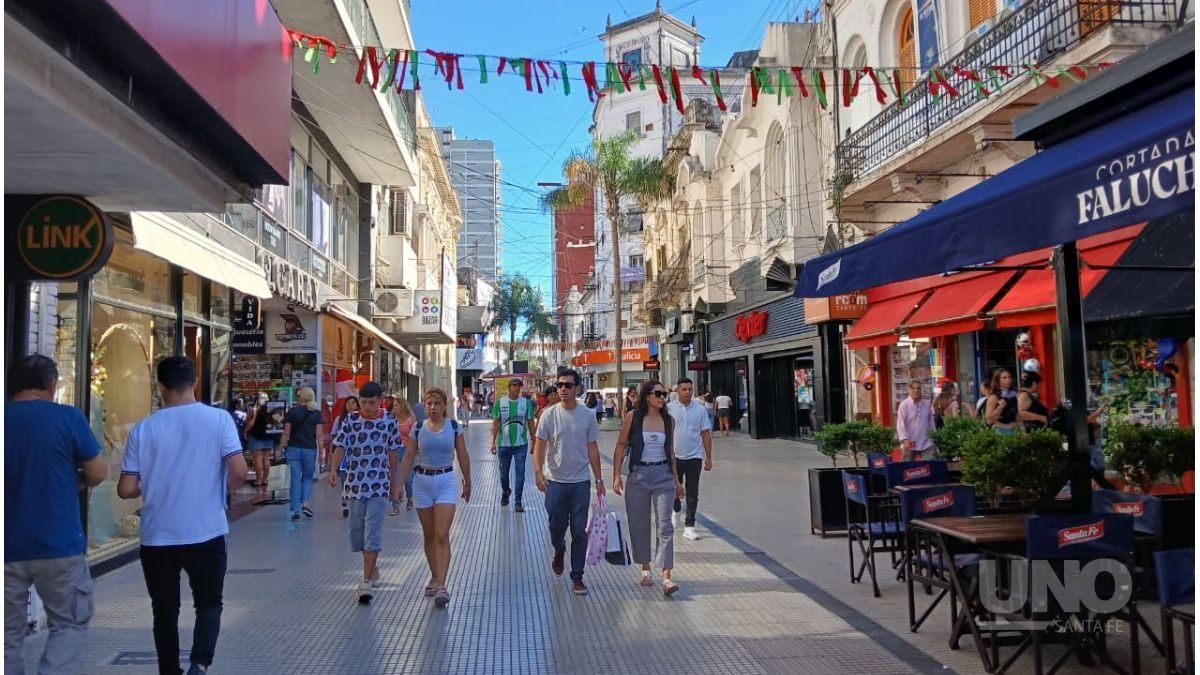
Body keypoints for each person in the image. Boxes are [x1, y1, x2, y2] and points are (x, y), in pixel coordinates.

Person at [117, 357, 248, 675]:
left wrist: (154, 481)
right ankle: (199, 664)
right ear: (195, 382)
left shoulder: (144, 429)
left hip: (158, 535)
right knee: (209, 603)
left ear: (160, 386)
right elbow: (239, 471)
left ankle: (169, 669)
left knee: (164, 610)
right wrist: (221, 493)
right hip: (207, 529)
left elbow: (126, 488)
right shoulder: (219, 420)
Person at [5, 355, 108, 675]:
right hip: (59, 544)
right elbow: (98, 471)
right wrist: (76, 480)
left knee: (5, 636)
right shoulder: (67, 418)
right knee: (69, 624)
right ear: (51, 386)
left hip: (6, 546)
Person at [327, 382, 401, 604]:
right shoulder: (351, 420)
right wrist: (333, 470)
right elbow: (340, 446)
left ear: (380, 401)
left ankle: (366, 580)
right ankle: (372, 566)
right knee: (358, 532)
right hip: (355, 485)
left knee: (373, 531)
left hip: (379, 484)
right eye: (364, 402)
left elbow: (393, 452)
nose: (367, 407)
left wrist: (395, 484)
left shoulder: (389, 420)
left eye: (372, 402)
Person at [533, 369, 605, 596]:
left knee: (579, 530)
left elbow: (592, 448)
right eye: (560, 385)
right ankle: (559, 549)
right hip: (554, 482)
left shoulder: (587, 415)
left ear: (577, 388)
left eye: (568, 385)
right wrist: (538, 472)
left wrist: (599, 479)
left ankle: (577, 576)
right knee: (556, 527)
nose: (562, 389)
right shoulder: (548, 415)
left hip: (580, 482)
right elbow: (539, 445)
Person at [398, 388, 471, 607]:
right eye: (429, 403)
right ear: (424, 405)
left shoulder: (453, 427)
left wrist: (468, 481)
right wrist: (400, 484)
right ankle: (435, 575)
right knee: (429, 535)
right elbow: (408, 456)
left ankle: (442, 585)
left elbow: (463, 455)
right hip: (422, 482)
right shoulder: (418, 428)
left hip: (446, 480)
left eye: (437, 403)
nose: (432, 407)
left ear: (444, 405)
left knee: (441, 534)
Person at [613, 381, 686, 596]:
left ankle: (666, 577)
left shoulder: (669, 421)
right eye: (658, 394)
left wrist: (677, 481)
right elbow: (620, 444)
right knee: (639, 524)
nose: (662, 398)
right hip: (638, 475)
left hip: (663, 474)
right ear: (647, 396)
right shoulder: (633, 417)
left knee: (665, 526)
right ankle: (645, 568)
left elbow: (670, 452)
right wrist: (616, 475)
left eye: (664, 394)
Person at [666, 377, 713, 541]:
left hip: (694, 456)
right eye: (684, 389)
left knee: (693, 491)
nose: (687, 392)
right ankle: (675, 509)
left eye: (690, 389)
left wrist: (708, 457)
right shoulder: (669, 409)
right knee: (674, 488)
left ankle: (690, 526)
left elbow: (705, 433)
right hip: (674, 457)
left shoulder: (700, 410)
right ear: (678, 390)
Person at [278, 387, 323, 523]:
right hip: (309, 449)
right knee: (307, 478)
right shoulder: (316, 413)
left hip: (293, 448)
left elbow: (286, 433)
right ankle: (306, 504)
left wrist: (280, 448)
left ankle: (296, 510)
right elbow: (319, 434)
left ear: (302, 397)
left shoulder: (292, 412)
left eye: (298, 396)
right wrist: (321, 452)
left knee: (295, 478)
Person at [491, 378, 535, 513]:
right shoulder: (499, 403)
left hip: (521, 444)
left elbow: (531, 424)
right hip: (504, 445)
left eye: (519, 386)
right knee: (503, 474)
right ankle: (506, 491)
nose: (517, 388)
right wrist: (492, 441)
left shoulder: (526, 403)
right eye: (514, 385)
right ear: (509, 387)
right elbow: (495, 423)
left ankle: (518, 501)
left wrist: (534, 441)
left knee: (520, 472)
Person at [332, 396, 360, 518]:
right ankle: (345, 503)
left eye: (353, 403)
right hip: (343, 455)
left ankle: (354, 502)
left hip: (356, 455)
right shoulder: (340, 419)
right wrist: (332, 452)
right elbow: (334, 436)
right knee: (344, 479)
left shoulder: (360, 419)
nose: (350, 405)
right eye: (348, 403)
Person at [896, 382, 936, 460]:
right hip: (910, 442)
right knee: (907, 466)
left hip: (927, 442)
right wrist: (904, 439)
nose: (916, 390)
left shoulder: (927, 404)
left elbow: (931, 422)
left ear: (921, 390)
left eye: (918, 388)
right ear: (908, 390)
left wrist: (934, 437)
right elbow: (900, 424)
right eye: (913, 388)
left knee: (929, 465)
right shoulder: (904, 405)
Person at [392, 398, 417, 514]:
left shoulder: (410, 418)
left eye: (397, 405)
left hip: (408, 450)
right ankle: (396, 506)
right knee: (396, 478)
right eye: (394, 406)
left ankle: (410, 497)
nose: (394, 408)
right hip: (394, 449)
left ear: (403, 406)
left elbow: (415, 436)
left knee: (408, 479)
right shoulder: (391, 419)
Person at [244, 392, 274, 487]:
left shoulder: (255, 410)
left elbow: (250, 424)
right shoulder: (272, 410)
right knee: (266, 459)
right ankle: (265, 479)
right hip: (269, 436)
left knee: (258, 459)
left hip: (256, 436)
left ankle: (258, 480)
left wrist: (245, 432)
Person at [985, 369, 1022, 433]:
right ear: (997, 381)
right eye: (1004, 378)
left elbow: (1017, 415)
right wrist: (1000, 407)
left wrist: (1023, 431)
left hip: (1015, 430)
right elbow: (989, 421)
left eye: (1009, 377)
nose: (1008, 380)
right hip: (1001, 431)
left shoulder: (1013, 395)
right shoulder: (994, 397)